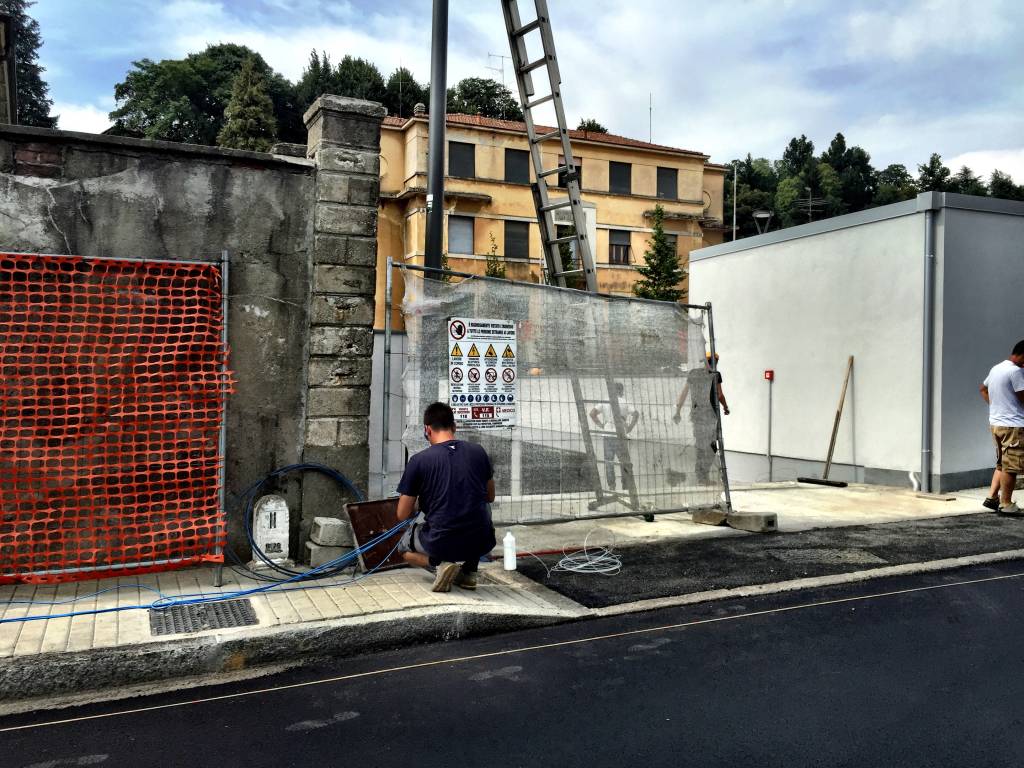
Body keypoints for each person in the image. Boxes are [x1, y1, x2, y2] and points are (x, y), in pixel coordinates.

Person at [396, 402, 496, 592]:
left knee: (403, 549)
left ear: (427, 430)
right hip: (482, 540)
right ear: (454, 426)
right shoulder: (478, 452)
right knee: (480, 505)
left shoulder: (419, 460)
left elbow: (402, 514)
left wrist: (420, 503)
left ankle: (438, 565)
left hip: (441, 543)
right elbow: (490, 496)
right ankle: (469, 573)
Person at [980, 340, 1024, 515]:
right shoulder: (1016, 372)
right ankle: (1006, 503)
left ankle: (992, 498)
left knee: (1002, 463)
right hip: (1013, 426)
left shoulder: (996, 368)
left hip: (996, 423)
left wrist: (996, 406)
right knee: (1011, 467)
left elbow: (983, 389)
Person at [673, 352, 730, 485]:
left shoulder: (693, 373)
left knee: (700, 446)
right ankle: (702, 477)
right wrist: (726, 407)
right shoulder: (715, 375)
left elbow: (683, 393)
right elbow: (720, 395)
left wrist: (678, 411)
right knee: (711, 447)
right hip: (710, 417)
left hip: (696, 416)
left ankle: (700, 477)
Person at [589, 382, 640, 491]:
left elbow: (592, 413)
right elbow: (636, 414)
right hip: (620, 434)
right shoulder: (625, 402)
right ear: (621, 391)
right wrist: (630, 427)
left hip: (607, 434)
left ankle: (612, 487)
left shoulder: (605, 401)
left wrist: (601, 425)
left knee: (609, 462)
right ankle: (625, 487)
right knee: (624, 461)